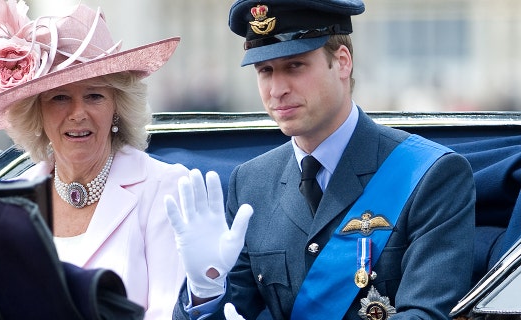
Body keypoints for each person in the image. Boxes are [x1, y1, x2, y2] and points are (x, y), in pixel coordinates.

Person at [164, 0, 476, 319]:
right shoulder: (252, 183)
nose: (277, 89)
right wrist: (205, 291)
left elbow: (427, 314)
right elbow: (235, 308)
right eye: (265, 71)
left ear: (342, 62)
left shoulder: (428, 174)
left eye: (294, 66)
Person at [0, 0, 187, 318]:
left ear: (117, 108)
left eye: (94, 95)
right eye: (60, 97)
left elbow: (167, 310)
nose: (78, 113)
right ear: (37, 113)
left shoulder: (165, 188)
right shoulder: (10, 199)